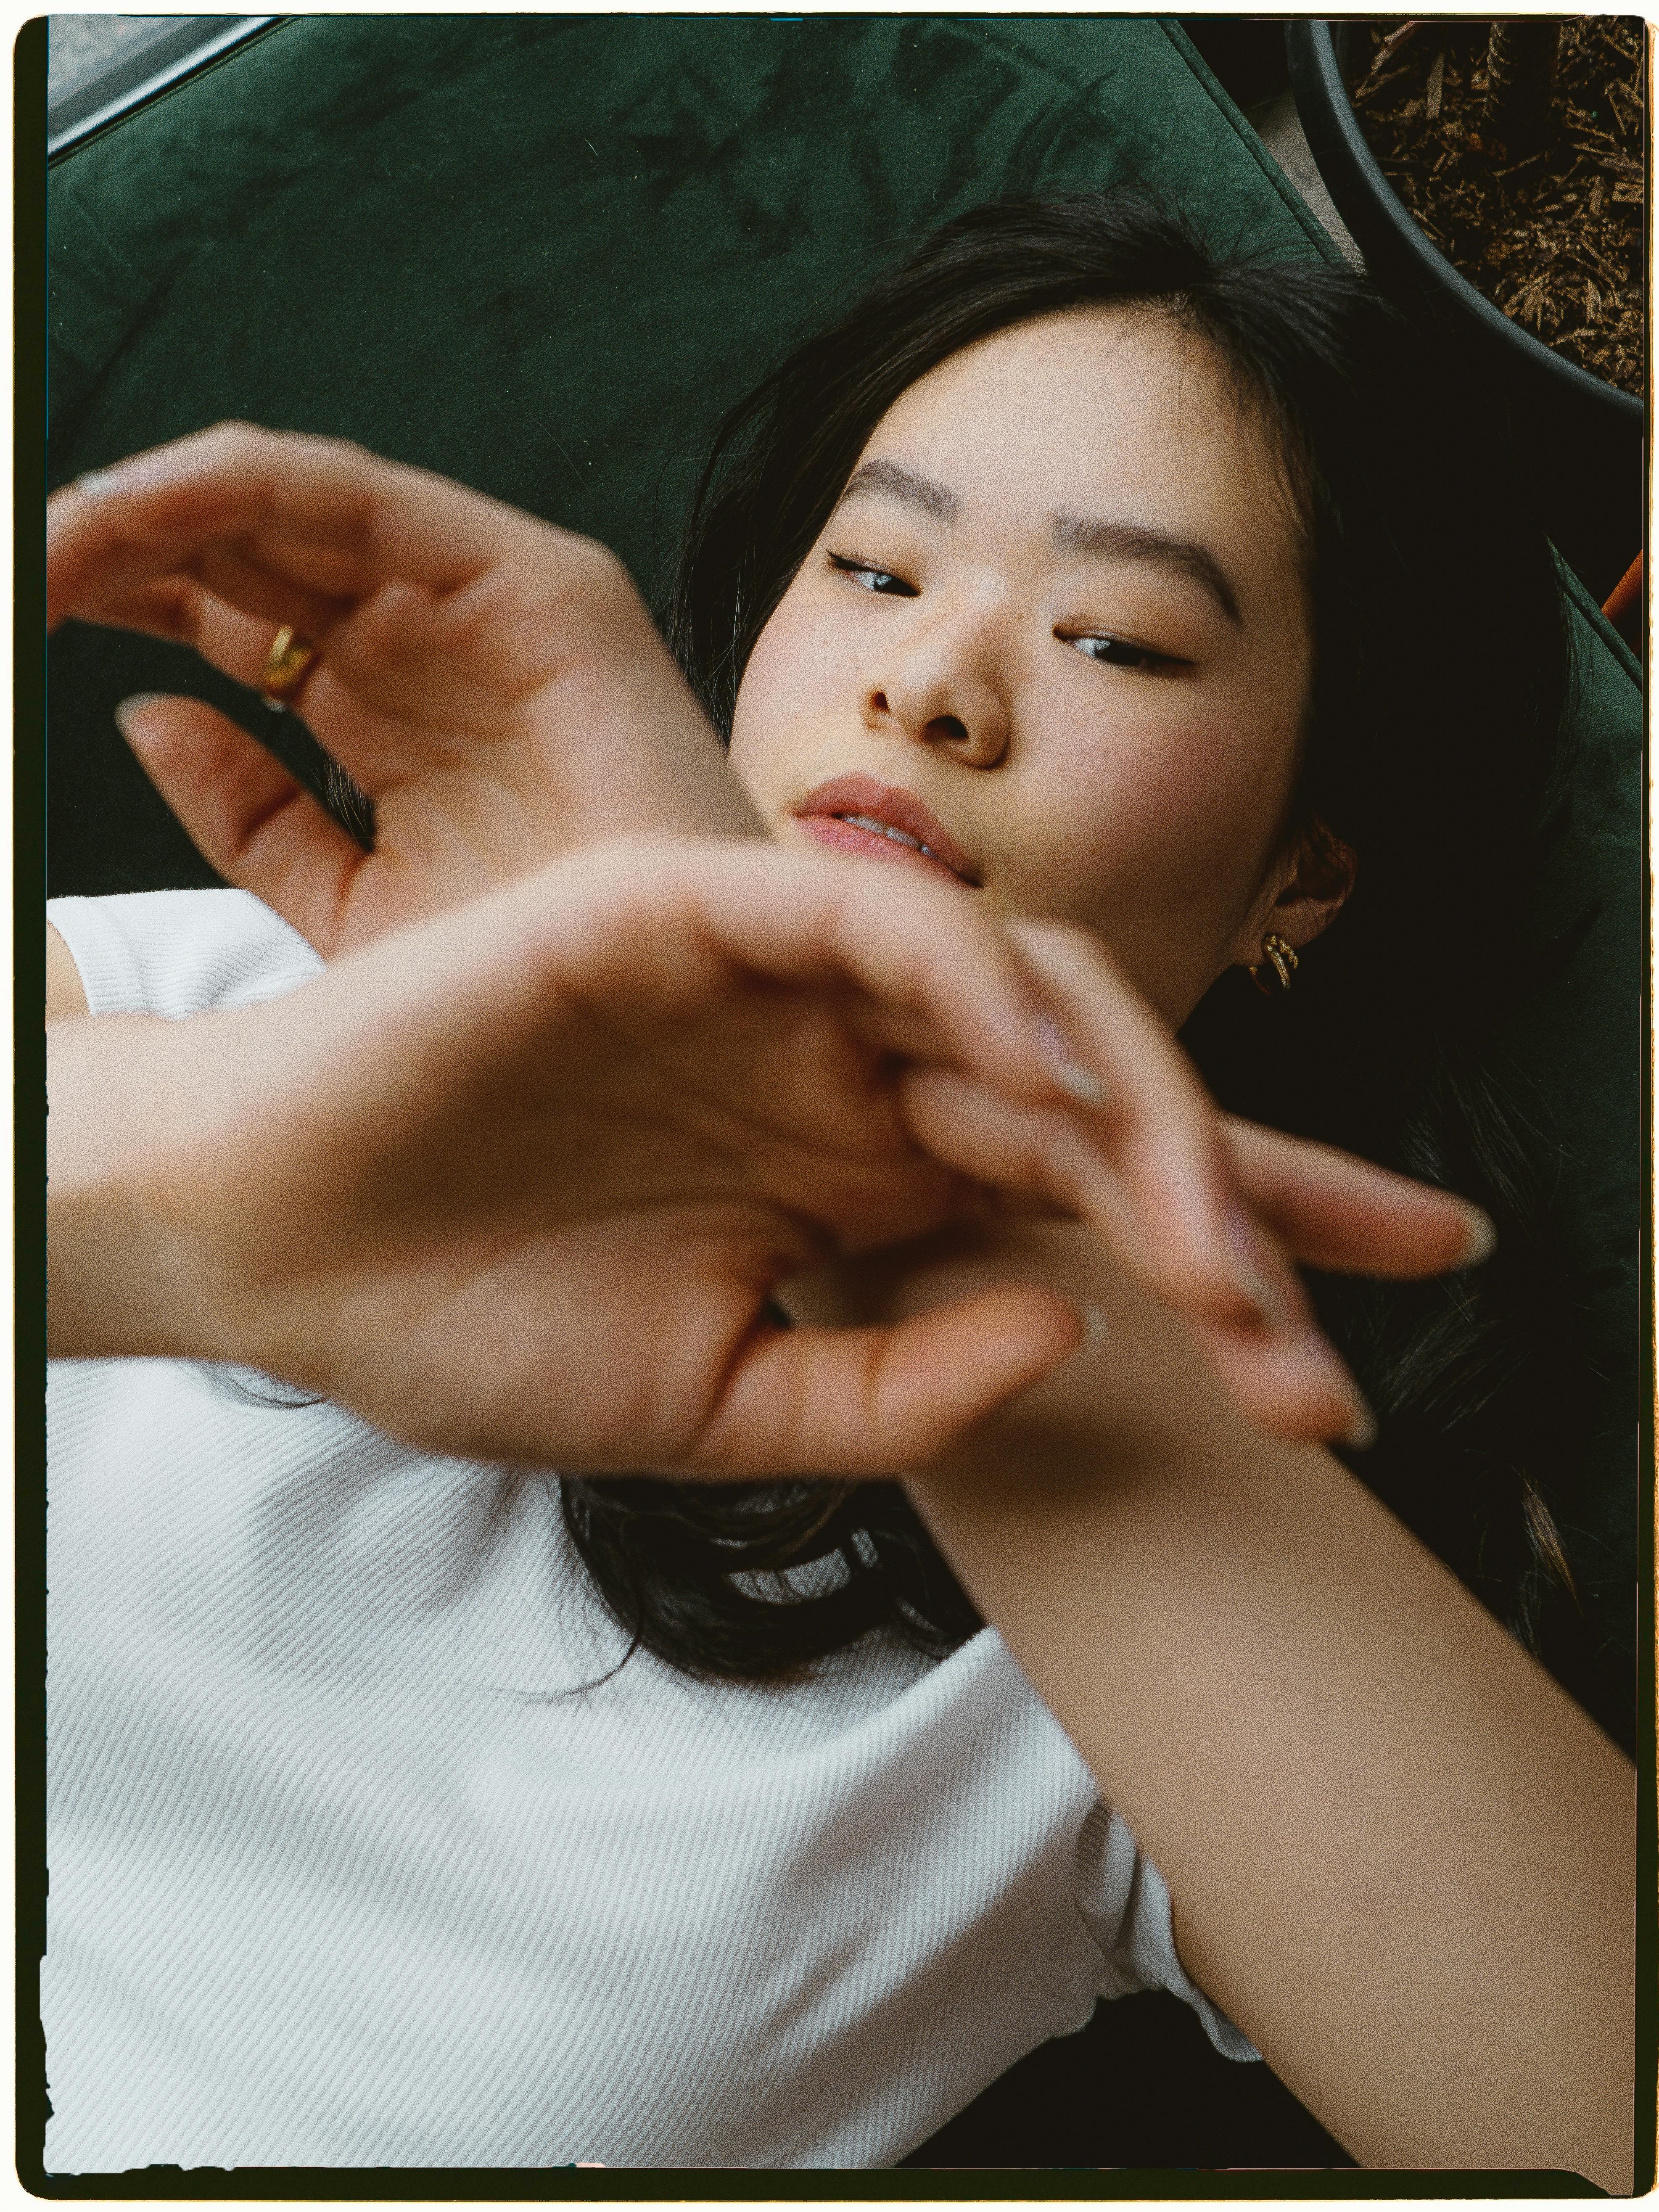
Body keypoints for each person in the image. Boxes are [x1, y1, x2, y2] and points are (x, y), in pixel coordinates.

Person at [42, 195, 1634, 2180]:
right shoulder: (230, 999)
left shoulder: (1131, 1628)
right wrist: (191, 1203)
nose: (934, 682)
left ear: (1304, 874)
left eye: (1119, 639)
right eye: (874, 565)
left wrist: (897, 1202)